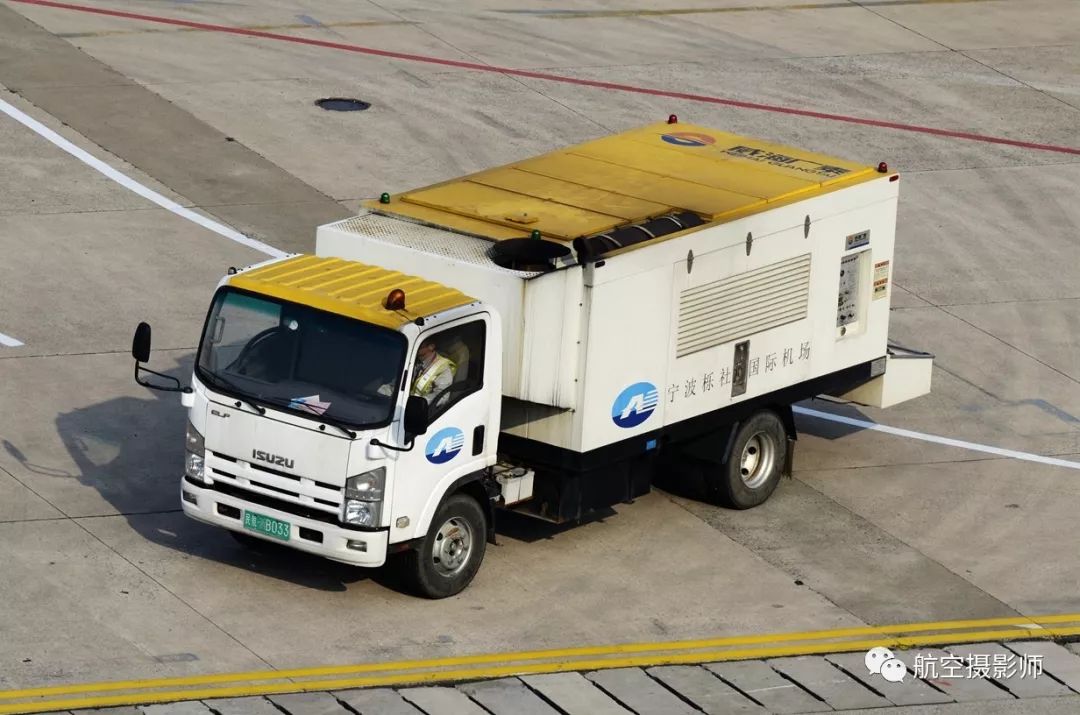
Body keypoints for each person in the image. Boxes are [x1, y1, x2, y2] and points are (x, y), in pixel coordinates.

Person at [411, 338, 456, 404]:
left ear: (431, 347)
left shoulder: (443, 368)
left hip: (420, 409)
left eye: (419, 345)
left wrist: (420, 403)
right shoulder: (413, 359)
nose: (415, 346)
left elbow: (442, 396)